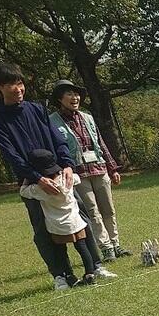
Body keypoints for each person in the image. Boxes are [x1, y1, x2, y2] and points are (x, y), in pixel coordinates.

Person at [0, 63, 112, 290]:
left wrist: (68, 166)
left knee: (80, 217)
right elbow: (10, 154)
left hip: (59, 174)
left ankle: (95, 266)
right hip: (31, 181)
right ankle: (62, 276)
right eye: (12, 84)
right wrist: (36, 178)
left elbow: (57, 139)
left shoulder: (37, 109)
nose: (19, 89)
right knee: (43, 229)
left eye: (20, 83)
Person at [49, 79, 130, 261]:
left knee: (108, 209)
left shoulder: (87, 117)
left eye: (76, 94)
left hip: (99, 168)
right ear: (60, 99)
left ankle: (116, 244)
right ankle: (106, 248)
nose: (75, 97)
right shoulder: (52, 122)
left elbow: (100, 143)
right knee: (92, 211)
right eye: (69, 94)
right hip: (77, 174)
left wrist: (112, 168)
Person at [19, 150, 113, 287]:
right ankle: (90, 272)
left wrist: (29, 177)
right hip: (76, 222)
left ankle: (69, 275)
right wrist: (65, 170)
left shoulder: (40, 189)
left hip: (56, 225)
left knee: (60, 251)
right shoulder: (66, 179)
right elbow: (77, 178)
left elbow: (23, 191)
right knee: (82, 247)